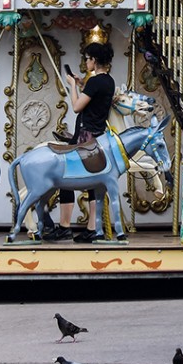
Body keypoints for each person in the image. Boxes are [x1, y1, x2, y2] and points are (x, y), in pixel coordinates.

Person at [55, 42, 115, 244]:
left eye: (87, 58)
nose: (86, 62)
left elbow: (76, 107)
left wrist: (72, 87)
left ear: (94, 60)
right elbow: (95, 98)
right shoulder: (108, 81)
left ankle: (64, 227)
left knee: (64, 177)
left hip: (84, 135)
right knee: (93, 184)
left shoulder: (94, 82)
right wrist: (82, 85)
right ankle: (92, 227)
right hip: (98, 135)